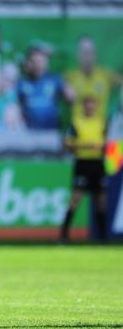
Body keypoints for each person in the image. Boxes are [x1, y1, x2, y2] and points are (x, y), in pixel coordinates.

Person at [60, 95, 107, 243]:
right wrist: (85, 146)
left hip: (98, 163)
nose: (90, 108)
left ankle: (102, 237)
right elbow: (67, 144)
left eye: (92, 105)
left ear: (96, 107)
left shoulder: (102, 123)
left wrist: (103, 148)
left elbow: (109, 143)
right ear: (83, 107)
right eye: (87, 105)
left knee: (100, 201)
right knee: (75, 199)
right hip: (82, 162)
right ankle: (63, 235)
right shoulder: (77, 123)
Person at [66, 36, 121, 122]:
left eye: (90, 51)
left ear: (95, 53)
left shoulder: (106, 75)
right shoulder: (69, 77)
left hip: (101, 130)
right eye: (84, 51)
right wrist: (65, 89)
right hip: (78, 129)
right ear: (78, 54)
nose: (87, 55)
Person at [17, 45, 74, 130]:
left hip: (51, 132)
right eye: (34, 61)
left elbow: (71, 97)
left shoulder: (55, 79)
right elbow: (17, 106)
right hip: (29, 133)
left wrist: (69, 93)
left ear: (46, 61)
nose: (38, 64)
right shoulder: (22, 82)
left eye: (41, 60)